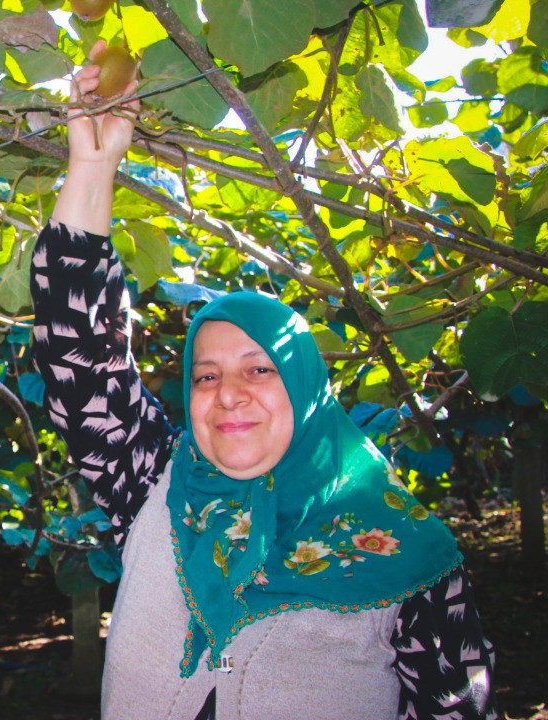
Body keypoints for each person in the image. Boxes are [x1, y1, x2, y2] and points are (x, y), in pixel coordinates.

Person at [31, 42, 497, 720]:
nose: (228, 394)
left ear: (308, 394)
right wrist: (94, 163)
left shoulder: (414, 557)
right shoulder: (155, 484)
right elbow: (77, 349)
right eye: (206, 375)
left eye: (261, 370)